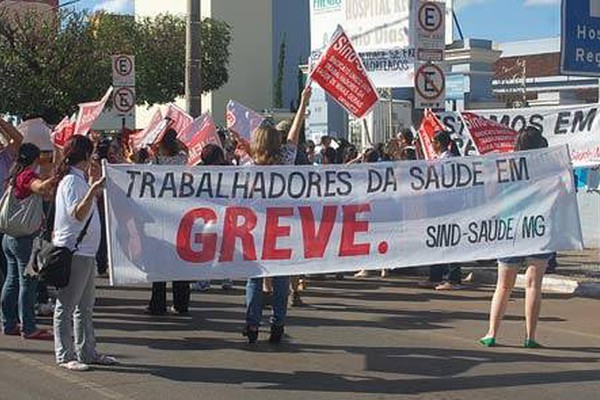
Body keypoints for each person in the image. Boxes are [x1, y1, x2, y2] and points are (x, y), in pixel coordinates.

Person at [243, 85, 312, 344]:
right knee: (282, 276)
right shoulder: (286, 159)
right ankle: (278, 324)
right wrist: (303, 103)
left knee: (255, 277)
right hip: (284, 226)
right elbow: (293, 134)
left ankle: (251, 325)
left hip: (256, 227)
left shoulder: (248, 167)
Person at [479, 126, 552, 349]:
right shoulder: (547, 168)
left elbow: (491, 195)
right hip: (538, 229)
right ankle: (530, 336)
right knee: (533, 286)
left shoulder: (505, 166)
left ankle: (492, 333)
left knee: (503, 286)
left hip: (510, 228)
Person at [52, 135, 117, 371]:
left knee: (85, 307)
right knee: (67, 306)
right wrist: (92, 190)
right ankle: (65, 354)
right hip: (75, 250)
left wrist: (92, 186)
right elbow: (77, 214)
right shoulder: (70, 181)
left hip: (86, 252)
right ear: (86, 156)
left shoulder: (78, 179)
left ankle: (87, 351)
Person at [1, 143, 55, 339]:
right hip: (27, 239)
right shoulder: (27, 176)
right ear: (35, 159)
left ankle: (9, 323)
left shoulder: (14, 175)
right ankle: (29, 327)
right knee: (28, 282)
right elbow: (40, 188)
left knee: (12, 280)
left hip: (10, 237)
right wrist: (54, 177)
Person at [146, 129, 191, 315]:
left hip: (160, 214)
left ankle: (158, 304)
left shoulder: (156, 161)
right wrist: (178, 141)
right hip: (179, 213)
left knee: (160, 261)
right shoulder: (181, 159)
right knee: (179, 261)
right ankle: (181, 303)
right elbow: (186, 150)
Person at [419, 131, 463, 290]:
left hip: (449, 206)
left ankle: (454, 279)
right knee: (436, 240)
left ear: (438, 143)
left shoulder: (449, 160)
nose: (431, 144)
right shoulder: (439, 160)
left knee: (450, 240)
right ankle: (435, 276)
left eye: (432, 141)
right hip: (439, 206)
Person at [192, 144, 234, 292]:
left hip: (210, 214)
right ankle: (226, 278)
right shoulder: (229, 168)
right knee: (222, 247)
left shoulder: (200, 170)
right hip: (222, 213)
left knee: (211, 248)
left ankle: (205, 280)